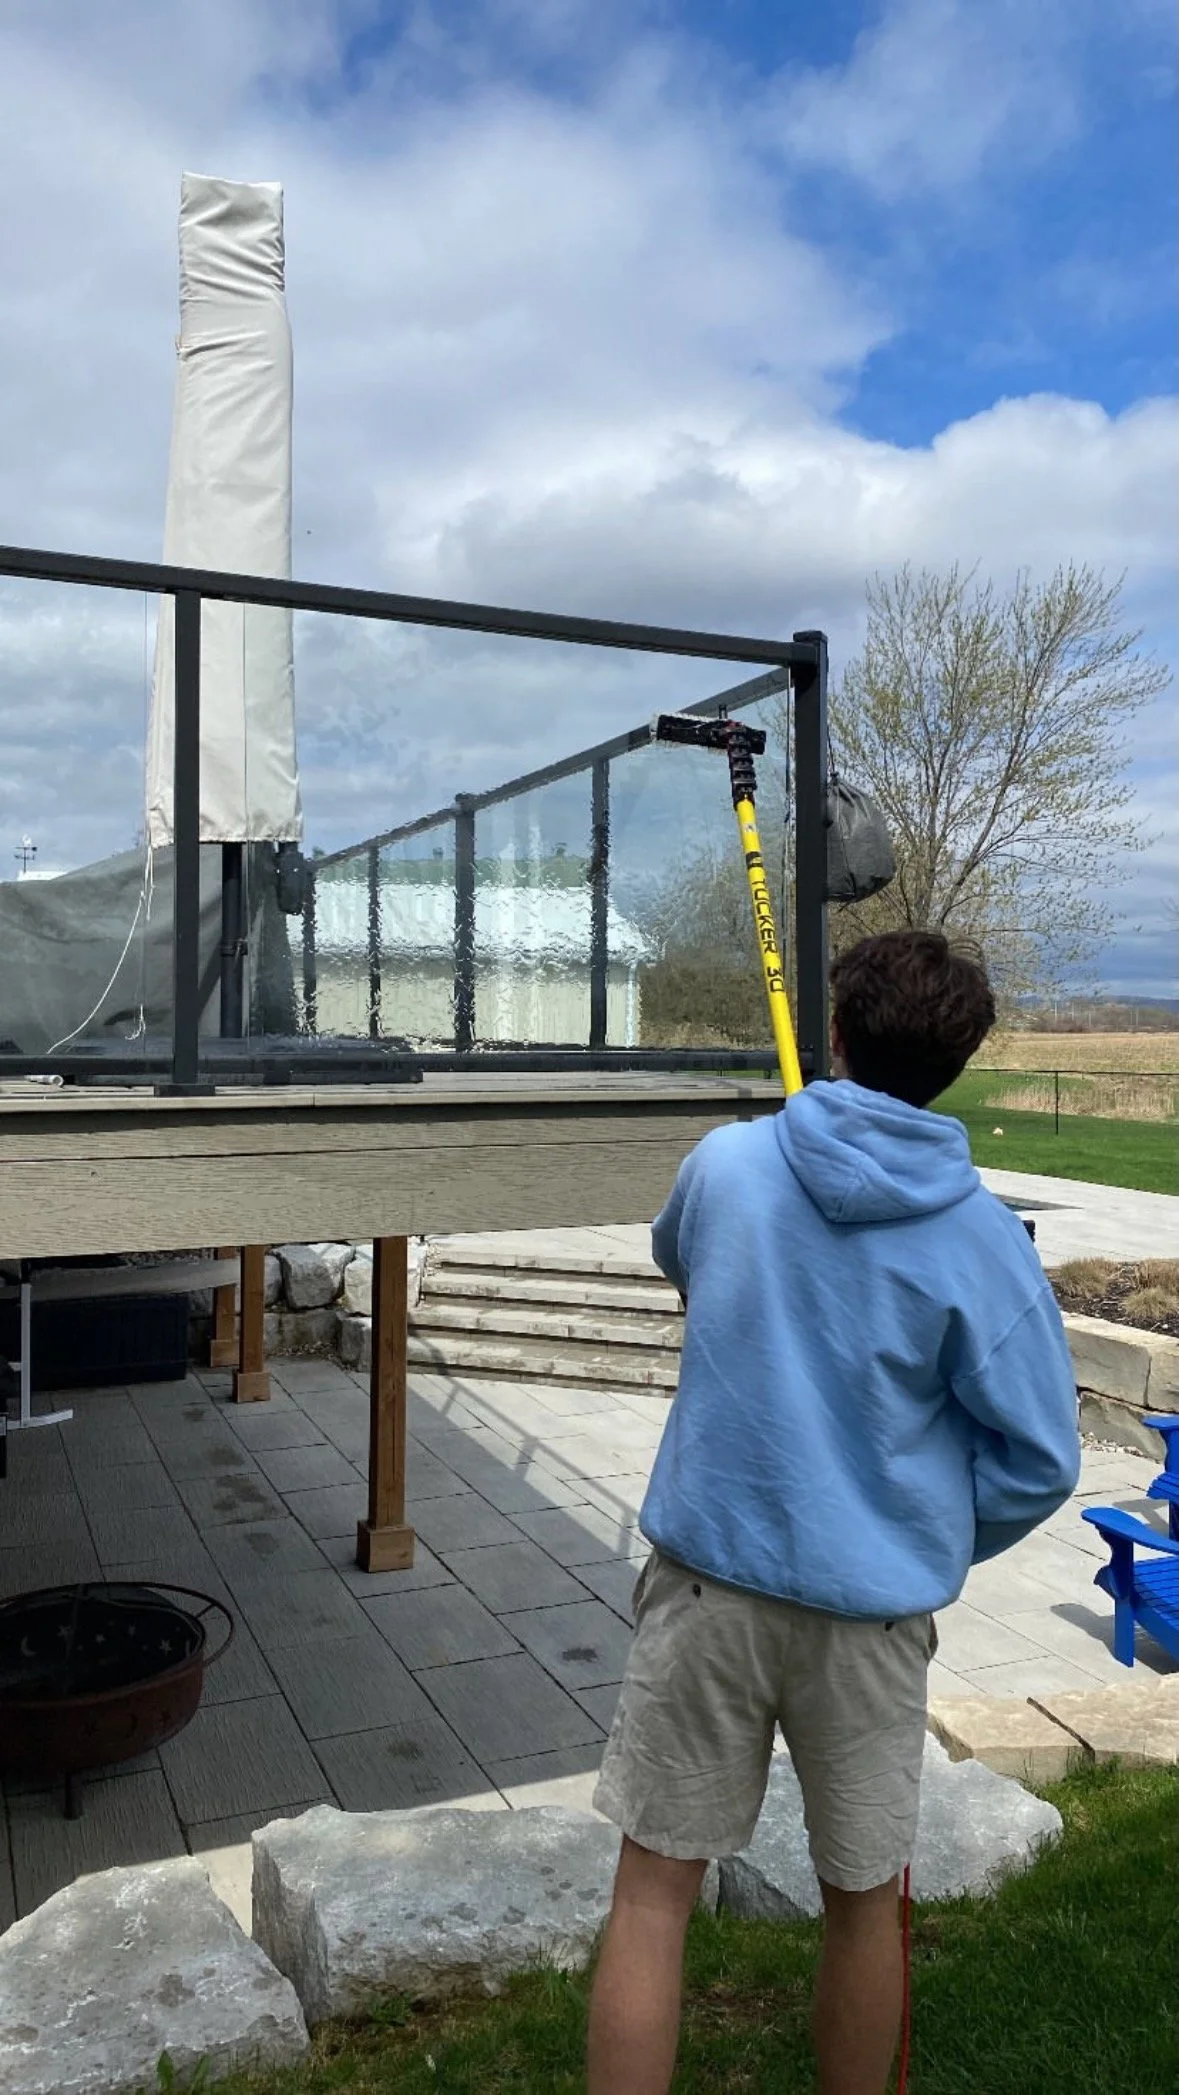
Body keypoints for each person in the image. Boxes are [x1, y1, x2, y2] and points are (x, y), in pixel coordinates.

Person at [586, 929, 1081, 2095]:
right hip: (868, 1621)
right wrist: (926, 1528)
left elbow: (688, 1264)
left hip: (708, 1591)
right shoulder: (983, 1241)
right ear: (953, 1065)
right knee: (865, 1904)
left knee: (652, 1892)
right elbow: (1040, 1458)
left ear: (837, 1037)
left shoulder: (725, 1165)